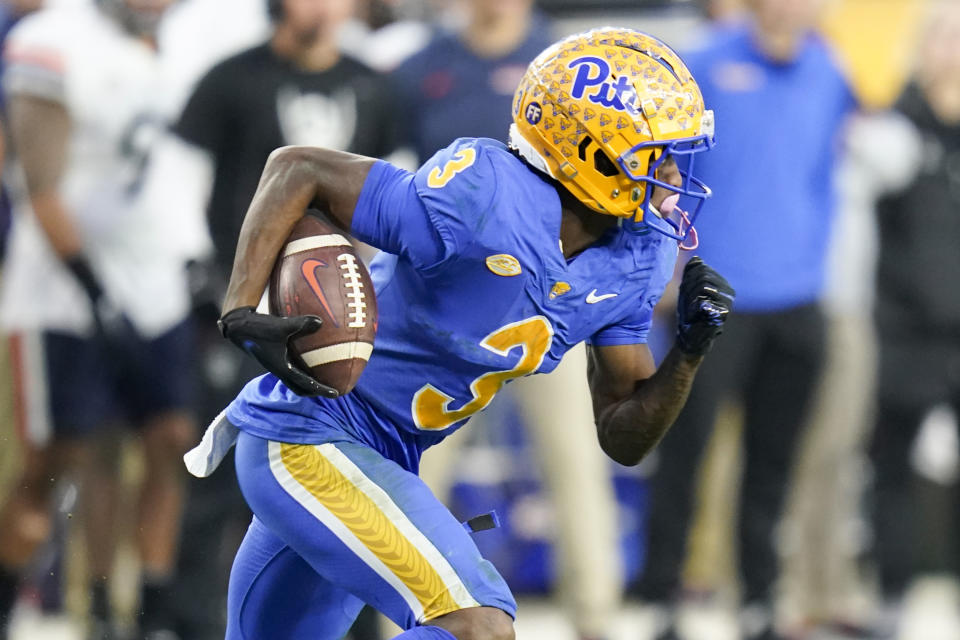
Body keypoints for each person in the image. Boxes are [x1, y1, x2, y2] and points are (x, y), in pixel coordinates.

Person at [182, 26, 734, 640]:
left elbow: (622, 436)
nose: (667, 169)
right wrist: (239, 308)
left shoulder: (638, 255)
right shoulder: (487, 194)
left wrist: (686, 352)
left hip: (384, 457)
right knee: (478, 625)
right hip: (312, 439)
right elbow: (298, 167)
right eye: (652, 150)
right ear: (592, 147)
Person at [391, 3, 624, 639]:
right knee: (414, 468)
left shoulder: (570, 69)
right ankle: (405, 619)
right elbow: (401, 180)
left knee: (576, 460)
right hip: (448, 309)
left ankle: (596, 616)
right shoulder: (421, 68)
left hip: (545, 301)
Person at [167, 1, 396, 637]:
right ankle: (192, 619)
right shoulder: (231, 78)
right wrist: (211, 287)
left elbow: (405, 191)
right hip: (241, 309)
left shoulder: (372, 82)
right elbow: (181, 181)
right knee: (219, 468)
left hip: (344, 319)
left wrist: (370, 294)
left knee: (353, 470)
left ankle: (355, 623)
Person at [633, 1, 856, 639]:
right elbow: (665, 172)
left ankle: (759, 599)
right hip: (713, 295)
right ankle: (663, 597)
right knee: (685, 454)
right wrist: (664, 270)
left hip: (799, 298)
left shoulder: (829, 68)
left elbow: (823, 173)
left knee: (773, 462)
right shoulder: (704, 61)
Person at [0, 0, 199, 638]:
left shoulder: (173, 39)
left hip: (154, 281)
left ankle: (151, 614)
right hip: (61, 293)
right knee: (55, 463)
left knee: (171, 440)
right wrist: (94, 290)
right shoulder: (51, 40)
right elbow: (40, 186)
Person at [862, 3, 960, 636]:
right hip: (903, 328)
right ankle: (892, 597)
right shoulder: (893, 127)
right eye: (944, 38)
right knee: (891, 468)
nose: (952, 51)